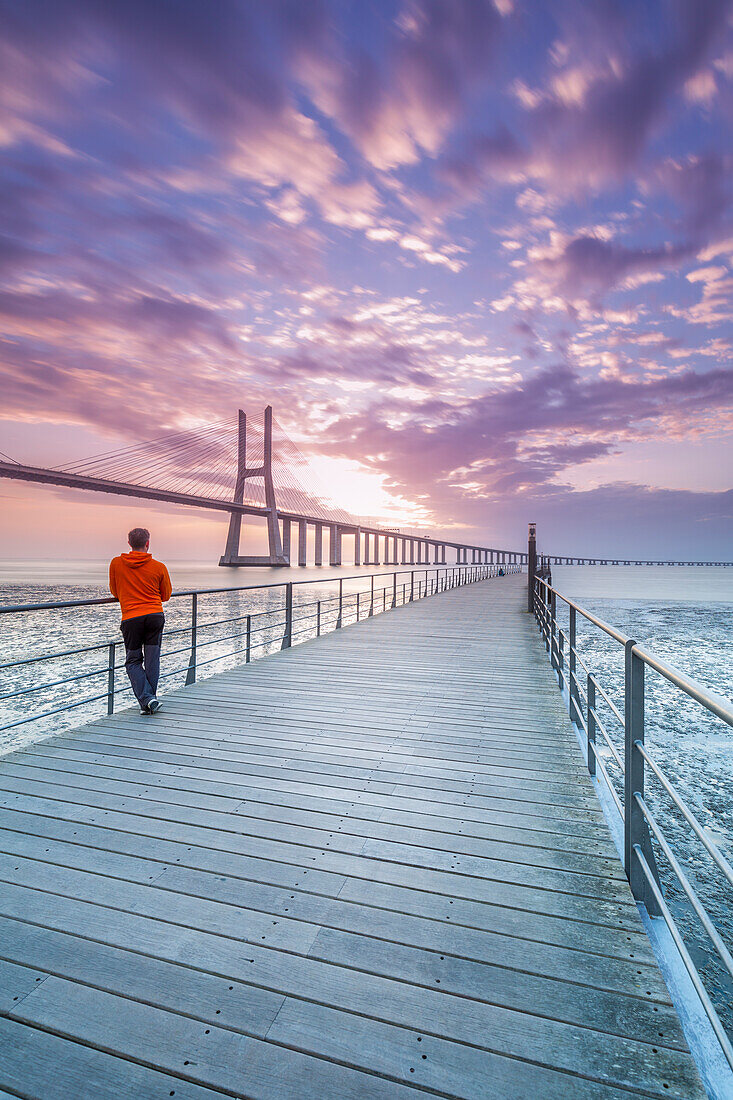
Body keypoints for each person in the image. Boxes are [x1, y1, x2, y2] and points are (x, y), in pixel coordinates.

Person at [109, 527, 172, 714]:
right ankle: (149, 702)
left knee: (133, 661)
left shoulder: (116, 564)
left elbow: (114, 591)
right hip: (155, 616)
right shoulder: (159, 567)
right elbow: (166, 595)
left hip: (132, 618)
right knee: (152, 660)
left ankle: (147, 699)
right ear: (148, 543)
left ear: (129, 544)